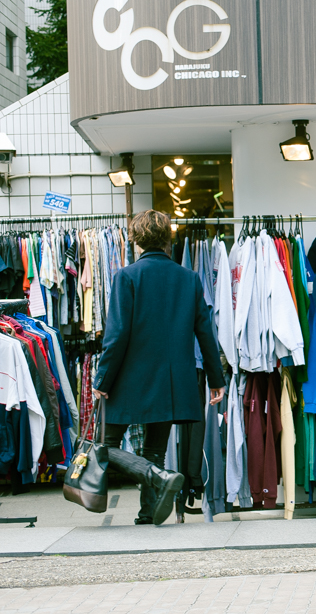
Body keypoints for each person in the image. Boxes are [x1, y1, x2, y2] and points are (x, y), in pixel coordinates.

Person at [93, 210, 226, 526]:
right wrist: (216, 378)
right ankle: (149, 512)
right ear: (168, 238)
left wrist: (102, 379)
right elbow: (205, 331)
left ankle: (157, 479)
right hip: (170, 380)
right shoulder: (188, 279)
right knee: (155, 450)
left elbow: (117, 335)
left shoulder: (126, 277)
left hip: (127, 379)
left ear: (136, 239)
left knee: (104, 446)